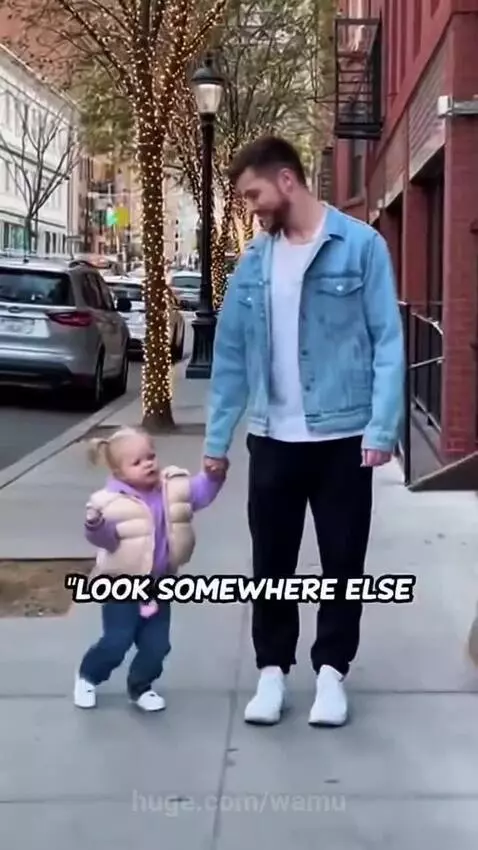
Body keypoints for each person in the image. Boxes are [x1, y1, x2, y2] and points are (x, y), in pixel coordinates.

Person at [203, 136, 404, 727]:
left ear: (287, 180)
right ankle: (271, 674)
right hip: (272, 438)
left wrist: (382, 426)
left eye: (254, 194)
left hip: (344, 438)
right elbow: (233, 357)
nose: (252, 207)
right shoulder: (253, 262)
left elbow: (388, 343)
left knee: (343, 564)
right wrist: (217, 444)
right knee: (272, 563)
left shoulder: (361, 246)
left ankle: (331, 675)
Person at [74, 426, 226, 712]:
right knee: (117, 639)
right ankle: (87, 676)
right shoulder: (108, 503)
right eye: (137, 461)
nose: (149, 464)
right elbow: (105, 541)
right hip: (121, 584)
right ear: (119, 473)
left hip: (159, 584)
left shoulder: (173, 488)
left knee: (157, 644)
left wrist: (214, 476)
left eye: (151, 456)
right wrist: (96, 525)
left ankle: (140, 686)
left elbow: (200, 493)